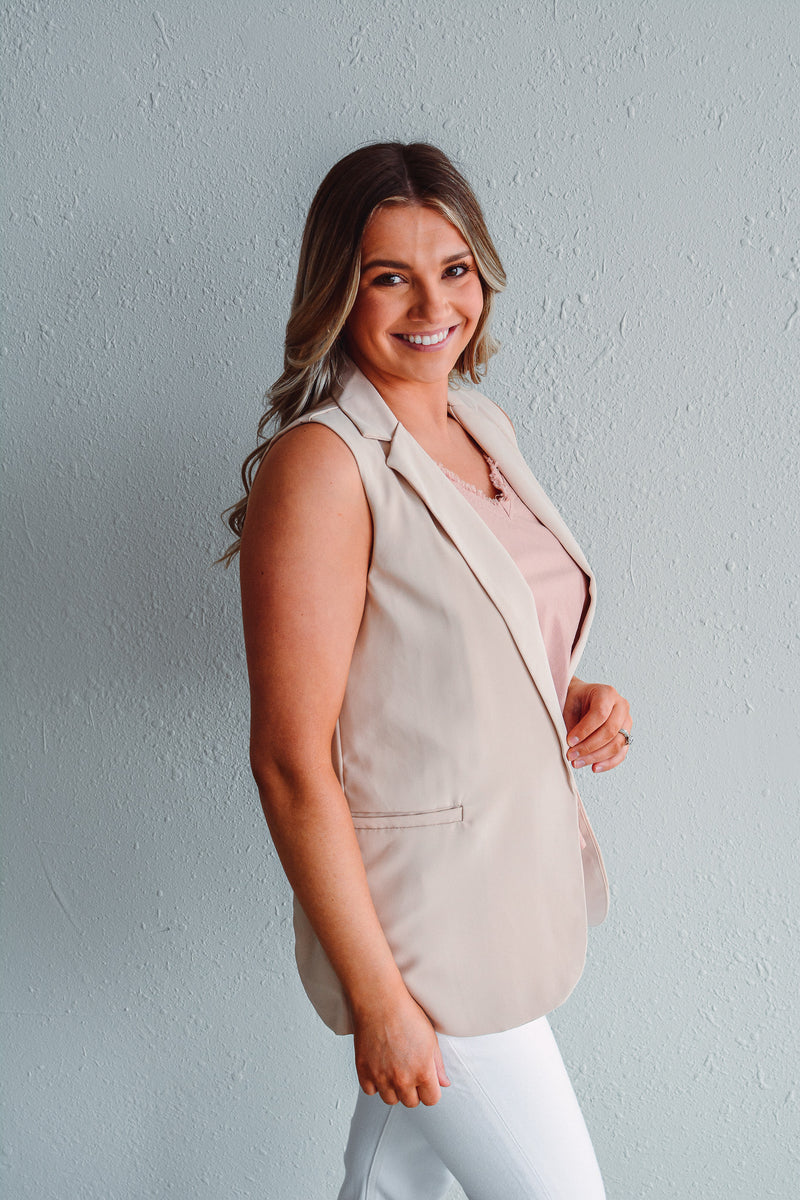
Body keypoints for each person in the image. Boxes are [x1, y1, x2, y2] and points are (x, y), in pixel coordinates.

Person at [222, 142, 632, 1199]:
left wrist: (576, 699)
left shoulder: (476, 425)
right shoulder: (321, 465)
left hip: (507, 902)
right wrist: (380, 998)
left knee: (392, 1183)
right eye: (386, 275)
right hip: (426, 937)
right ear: (336, 290)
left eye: (451, 268)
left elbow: (473, 642)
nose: (429, 304)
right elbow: (287, 759)